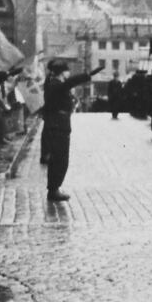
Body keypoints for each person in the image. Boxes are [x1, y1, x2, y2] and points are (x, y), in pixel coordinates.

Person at [43, 59, 100, 202]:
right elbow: (70, 83)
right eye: (67, 70)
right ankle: (53, 190)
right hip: (58, 125)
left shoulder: (54, 83)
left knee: (59, 159)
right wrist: (87, 75)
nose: (69, 73)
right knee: (60, 159)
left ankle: (54, 188)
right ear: (62, 72)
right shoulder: (55, 84)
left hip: (59, 124)